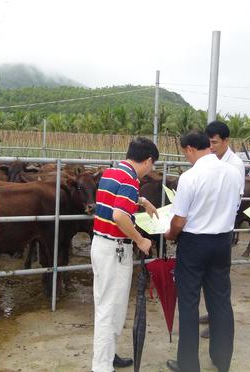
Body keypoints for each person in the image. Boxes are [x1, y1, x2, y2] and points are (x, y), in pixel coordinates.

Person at [164, 130, 243, 372]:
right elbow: (236, 205)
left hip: (194, 244)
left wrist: (169, 234)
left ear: (190, 149)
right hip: (222, 243)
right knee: (220, 301)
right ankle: (222, 360)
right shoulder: (232, 172)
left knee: (189, 303)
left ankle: (188, 364)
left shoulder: (190, 176)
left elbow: (179, 220)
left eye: (185, 153)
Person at [90, 137, 159, 372]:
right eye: (152, 165)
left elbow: (115, 198)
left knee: (109, 306)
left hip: (101, 245)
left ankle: (108, 356)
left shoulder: (112, 172)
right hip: (114, 249)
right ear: (148, 160)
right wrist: (140, 240)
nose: (151, 169)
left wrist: (142, 201)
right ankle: (102, 366)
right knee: (110, 309)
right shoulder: (130, 180)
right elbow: (119, 215)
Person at [199, 121, 245, 338]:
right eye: (209, 142)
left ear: (226, 141)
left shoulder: (235, 165)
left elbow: (235, 200)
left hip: (221, 230)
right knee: (207, 278)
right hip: (206, 228)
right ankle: (211, 313)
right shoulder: (208, 160)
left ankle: (218, 323)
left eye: (215, 142)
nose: (211, 146)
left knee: (219, 281)